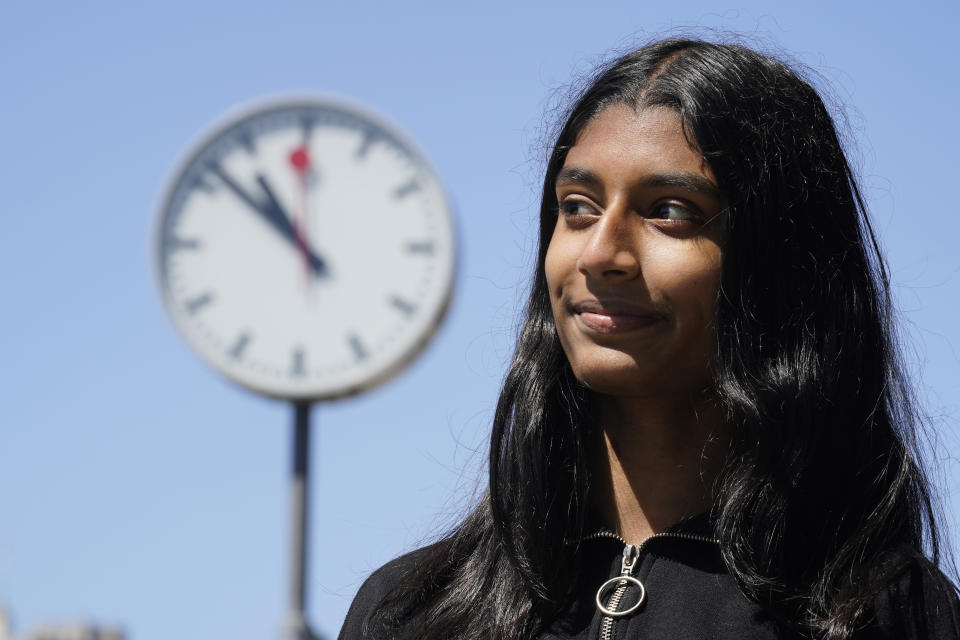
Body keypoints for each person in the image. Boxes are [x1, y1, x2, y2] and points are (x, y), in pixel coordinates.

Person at [338, 38, 960, 640]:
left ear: (781, 265)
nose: (602, 252)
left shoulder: (876, 612)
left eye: (670, 210)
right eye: (578, 206)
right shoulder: (415, 612)